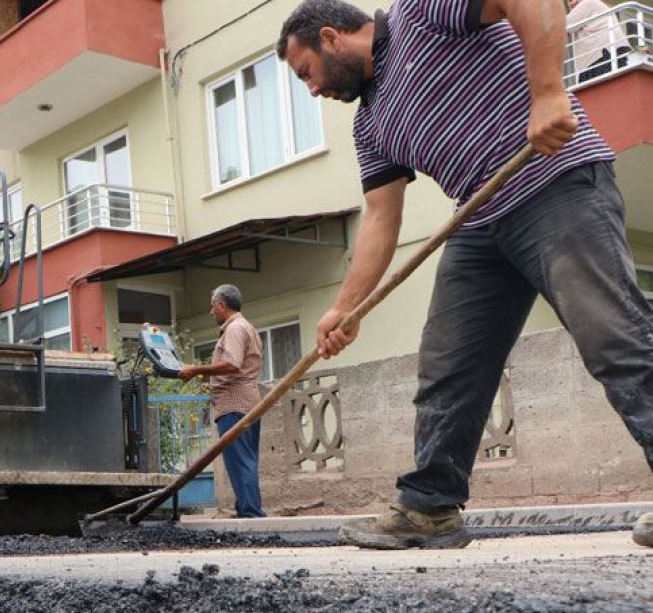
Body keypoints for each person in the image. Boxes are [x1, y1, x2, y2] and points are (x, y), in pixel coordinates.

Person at [277, 0, 653, 550]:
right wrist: (346, 307)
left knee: (614, 339)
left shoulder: (421, 15)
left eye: (306, 73)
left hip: (555, 184)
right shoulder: (371, 126)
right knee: (449, 365)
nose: (313, 90)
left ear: (330, 37)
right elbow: (381, 220)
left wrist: (548, 92)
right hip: (482, 222)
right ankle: (429, 508)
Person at [177, 285, 267, 518]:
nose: (211, 312)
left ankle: (251, 515)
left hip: (234, 404)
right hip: (247, 402)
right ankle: (248, 510)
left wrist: (196, 369)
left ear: (221, 305)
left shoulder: (235, 329)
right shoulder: (247, 327)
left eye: (212, 307)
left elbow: (232, 363)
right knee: (245, 460)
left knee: (240, 462)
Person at [567, 0, 630, 83]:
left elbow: (562, 26)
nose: (572, 3)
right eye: (569, 1)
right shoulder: (594, 5)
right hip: (610, 55)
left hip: (603, 58)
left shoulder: (588, 3)